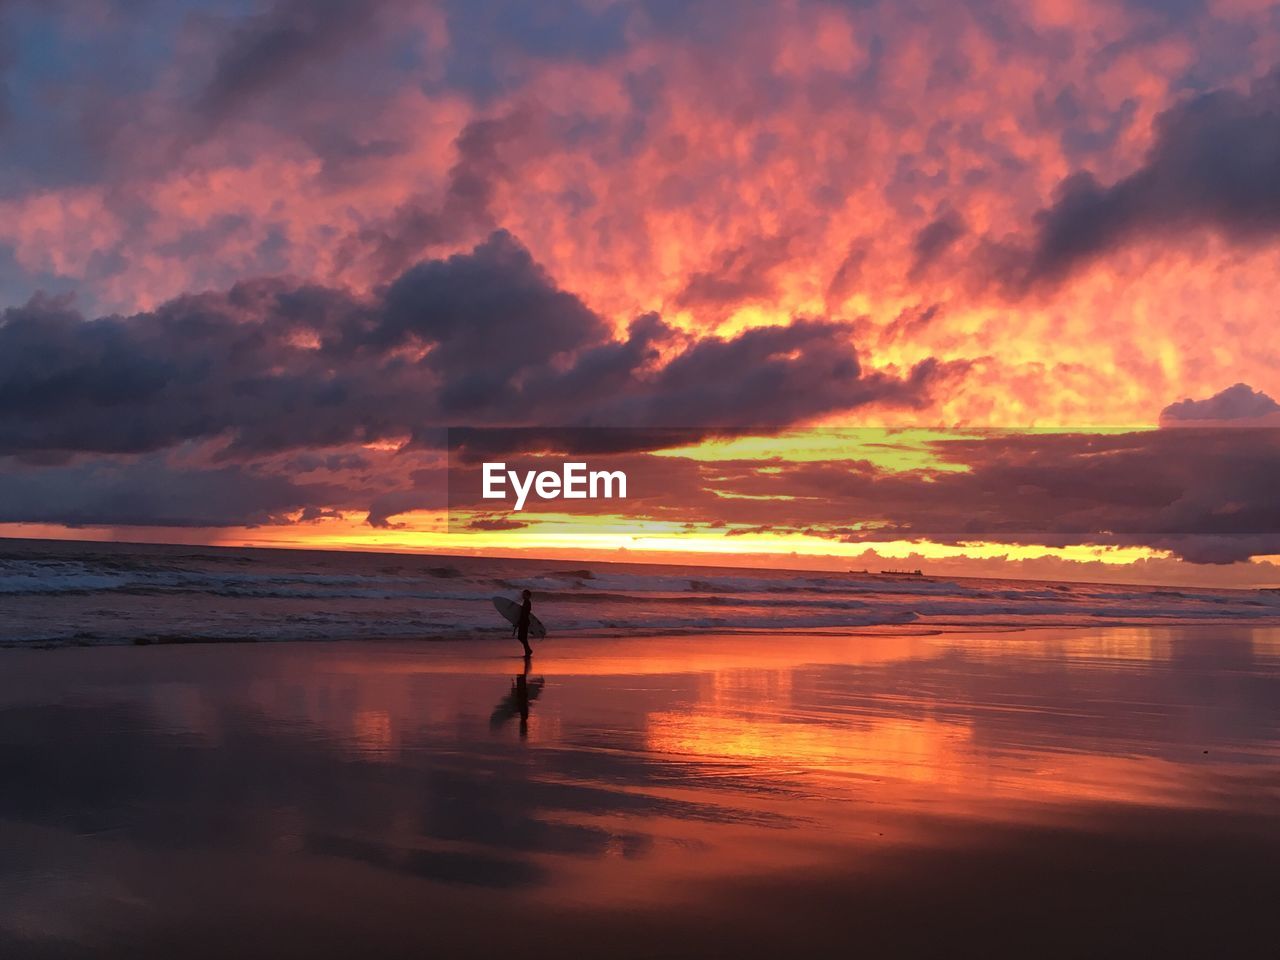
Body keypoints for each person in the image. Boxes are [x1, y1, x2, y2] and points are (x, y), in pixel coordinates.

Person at [513, 588, 533, 657]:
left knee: (522, 637)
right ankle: (528, 650)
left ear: (528, 596)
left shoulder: (527, 602)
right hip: (524, 621)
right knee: (521, 637)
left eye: (524, 595)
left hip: (524, 622)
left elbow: (524, 614)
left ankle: (528, 651)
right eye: (523, 594)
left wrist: (519, 622)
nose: (523, 596)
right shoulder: (525, 602)